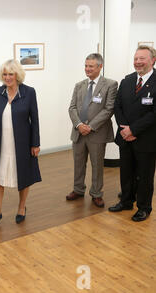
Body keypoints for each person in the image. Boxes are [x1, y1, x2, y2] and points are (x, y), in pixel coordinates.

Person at [0, 59, 41, 226]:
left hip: (22, 142)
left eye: (11, 74)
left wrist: (35, 143)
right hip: (1, 142)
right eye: (5, 74)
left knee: (22, 174)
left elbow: (35, 119)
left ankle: (22, 207)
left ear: (17, 75)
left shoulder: (29, 92)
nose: (7, 77)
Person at [108, 45, 156, 222]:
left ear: (153, 60)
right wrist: (125, 129)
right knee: (126, 172)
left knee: (144, 175)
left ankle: (144, 207)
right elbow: (117, 105)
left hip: (146, 139)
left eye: (142, 58)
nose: (138, 62)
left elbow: (153, 114)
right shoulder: (127, 80)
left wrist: (134, 130)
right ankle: (126, 201)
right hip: (125, 137)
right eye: (136, 58)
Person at [66, 53, 118, 208]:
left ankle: (96, 193)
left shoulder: (110, 84)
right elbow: (72, 107)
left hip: (97, 133)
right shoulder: (79, 85)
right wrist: (79, 125)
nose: (87, 69)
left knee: (97, 165)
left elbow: (109, 109)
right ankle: (78, 189)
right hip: (78, 132)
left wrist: (90, 126)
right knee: (78, 163)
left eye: (91, 66)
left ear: (100, 67)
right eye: (86, 65)